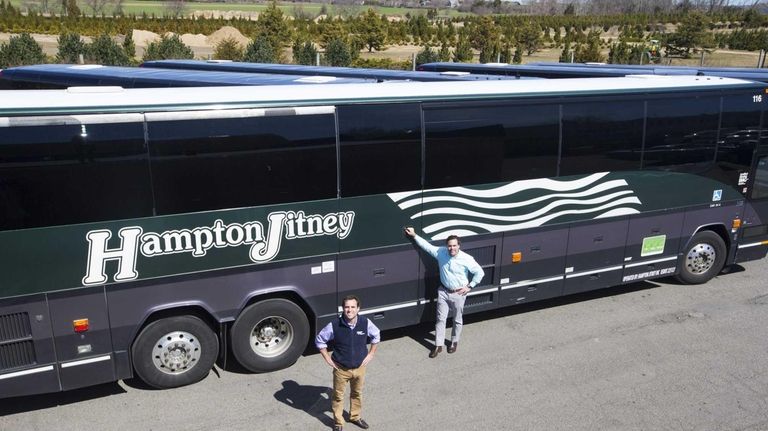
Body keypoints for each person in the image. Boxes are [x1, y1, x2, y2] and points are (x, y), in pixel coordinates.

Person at [404, 227, 484, 358]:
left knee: (457, 320)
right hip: (443, 291)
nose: (452, 248)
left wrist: (470, 286)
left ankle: (454, 342)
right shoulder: (441, 252)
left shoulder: (467, 258)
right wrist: (414, 235)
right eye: (449, 246)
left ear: (459, 246)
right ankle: (438, 345)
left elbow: (480, 272)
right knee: (440, 319)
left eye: (454, 246)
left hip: (459, 293)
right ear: (446, 246)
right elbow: (427, 246)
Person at [316, 295, 380, 431]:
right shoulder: (334, 325)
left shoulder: (365, 323)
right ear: (342, 309)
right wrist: (327, 358)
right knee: (338, 396)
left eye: (352, 307)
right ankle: (338, 422)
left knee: (357, 393)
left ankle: (355, 417)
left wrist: (371, 353)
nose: (349, 310)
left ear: (358, 308)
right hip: (341, 369)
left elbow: (376, 335)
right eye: (346, 307)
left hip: (360, 368)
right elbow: (320, 340)